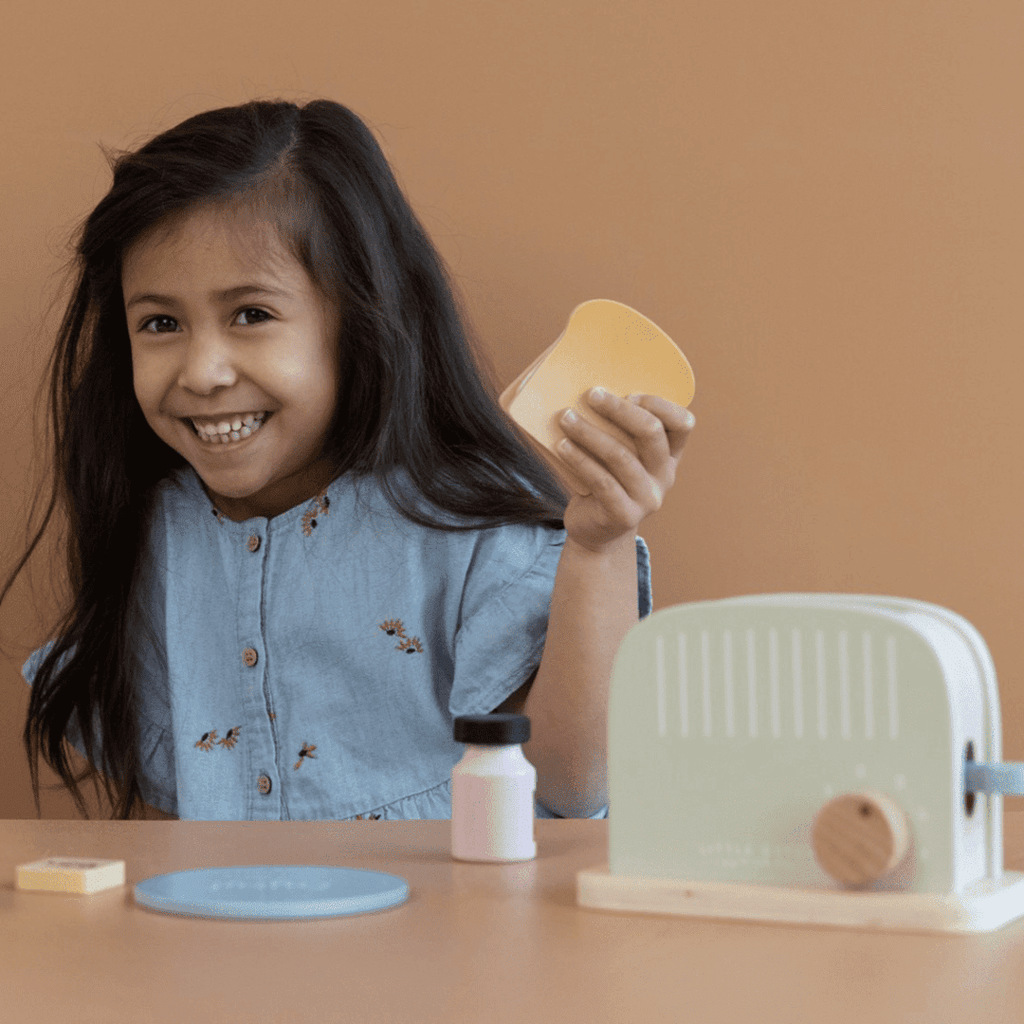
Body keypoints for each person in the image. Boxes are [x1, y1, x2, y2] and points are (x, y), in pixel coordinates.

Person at [3, 98, 695, 822]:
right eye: (161, 323)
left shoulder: (461, 525)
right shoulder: (157, 535)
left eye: (251, 314)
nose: (202, 371)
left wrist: (598, 544)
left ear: (358, 321)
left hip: (452, 934)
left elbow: (574, 785)